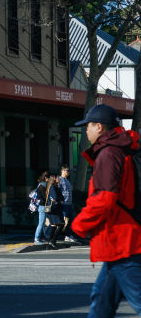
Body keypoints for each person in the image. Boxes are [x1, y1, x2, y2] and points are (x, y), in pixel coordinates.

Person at [69, 103, 141, 316]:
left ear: (99, 127)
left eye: (88, 126)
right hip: (121, 242)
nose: (86, 131)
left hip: (122, 243)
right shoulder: (123, 148)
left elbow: (105, 198)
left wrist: (78, 225)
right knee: (100, 302)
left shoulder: (108, 154)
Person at [57, 165, 81, 243]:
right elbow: (57, 190)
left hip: (69, 204)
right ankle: (54, 236)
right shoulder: (59, 180)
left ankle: (68, 235)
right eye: (67, 171)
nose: (68, 172)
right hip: (64, 203)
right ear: (62, 171)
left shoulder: (67, 180)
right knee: (62, 221)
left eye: (69, 171)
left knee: (71, 220)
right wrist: (59, 201)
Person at [42, 172, 65, 248]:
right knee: (61, 224)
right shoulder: (52, 187)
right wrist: (59, 200)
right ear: (54, 179)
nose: (59, 179)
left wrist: (59, 199)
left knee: (54, 225)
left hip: (55, 209)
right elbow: (55, 197)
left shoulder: (55, 187)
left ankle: (50, 243)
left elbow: (62, 197)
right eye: (57, 177)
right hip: (54, 209)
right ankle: (52, 241)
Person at [31, 171, 51, 245]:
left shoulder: (42, 185)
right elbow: (45, 197)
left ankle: (42, 237)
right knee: (41, 223)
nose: (50, 180)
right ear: (46, 178)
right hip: (42, 207)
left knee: (45, 223)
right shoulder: (42, 186)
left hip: (43, 206)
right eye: (49, 178)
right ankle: (36, 239)